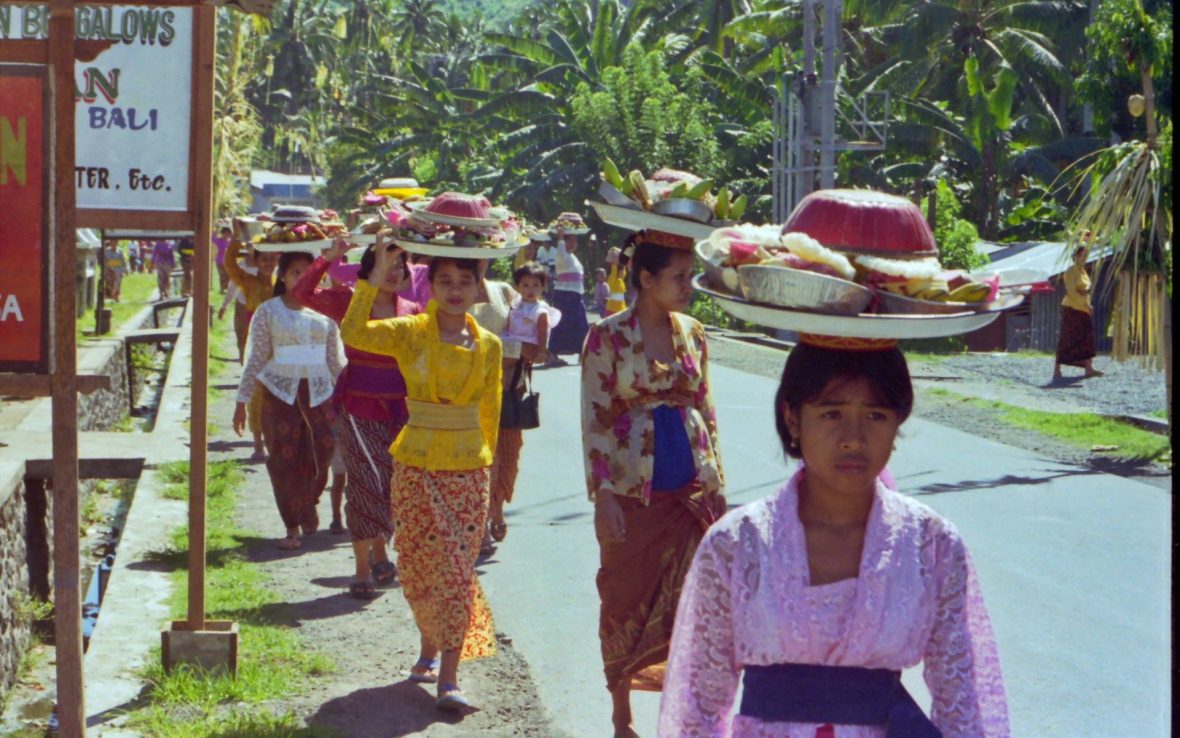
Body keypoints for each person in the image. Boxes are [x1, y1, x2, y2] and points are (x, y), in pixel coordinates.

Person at [657, 337, 1011, 738]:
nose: (854, 438)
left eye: (875, 415)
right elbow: (697, 710)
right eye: (831, 414)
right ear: (793, 418)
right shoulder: (735, 545)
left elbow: (965, 707)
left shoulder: (932, 545)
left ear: (898, 422)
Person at [341, 243, 502, 711]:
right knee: (416, 568)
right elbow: (354, 332)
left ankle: (448, 679)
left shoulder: (489, 345)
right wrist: (373, 274)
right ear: (429, 286)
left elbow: (490, 411)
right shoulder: (411, 332)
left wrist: (490, 483)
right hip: (415, 465)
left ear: (477, 288)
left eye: (464, 282)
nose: (455, 291)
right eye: (445, 281)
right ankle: (429, 647)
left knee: (456, 571)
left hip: (469, 470)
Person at [581, 230, 727, 738]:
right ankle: (622, 718)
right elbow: (595, 419)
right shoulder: (606, 336)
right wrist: (603, 496)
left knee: (697, 608)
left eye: (690, 276)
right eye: (679, 277)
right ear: (645, 278)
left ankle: (688, 718)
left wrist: (718, 484)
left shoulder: (694, 331)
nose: (689, 286)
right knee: (624, 600)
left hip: (690, 493)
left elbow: (705, 409)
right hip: (631, 493)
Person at [292, 239, 421, 599]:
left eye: (401, 266)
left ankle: (381, 550)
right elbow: (303, 293)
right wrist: (328, 258)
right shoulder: (349, 300)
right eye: (387, 264)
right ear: (368, 269)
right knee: (365, 485)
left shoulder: (413, 310)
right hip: (358, 407)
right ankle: (362, 570)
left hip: (402, 410)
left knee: (392, 487)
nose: (395, 273)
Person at [233, 250, 345, 551]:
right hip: (279, 392)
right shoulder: (269, 311)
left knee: (322, 450)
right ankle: (292, 526)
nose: (302, 278)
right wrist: (241, 401)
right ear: (283, 276)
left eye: (310, 273)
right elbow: (255, 358)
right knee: (284, 459)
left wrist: (348, 395)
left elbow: (336, 361)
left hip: (320, 392)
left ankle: (308, 504)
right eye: (296, 272)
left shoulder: (325, 314)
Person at [491, 261, 562, 546]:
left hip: (515, 369)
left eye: (536, 286)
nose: (530, 290)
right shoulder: (512, 300)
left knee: (507, 440)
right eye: (526, 285)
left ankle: (495, 507)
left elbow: (539, 339)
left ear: (543, 287)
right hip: (493, 365)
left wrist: (539, 351)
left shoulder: (534, 308)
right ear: (518, 286)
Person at [224, 238, 281, 458]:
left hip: (279, 346)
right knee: (256, 395)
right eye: (263, 259)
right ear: (255, 261)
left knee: (277, 395)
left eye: (271, 258)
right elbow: (230, 264)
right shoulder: (248, 282)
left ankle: (274, 438)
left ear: (277, 260)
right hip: (257, 345)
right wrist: (237, 239)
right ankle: (258, 442)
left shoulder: (283, 283)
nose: (268, 263)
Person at [1054, 246, 1104, 381]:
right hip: (1072, 307)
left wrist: (1087, 305)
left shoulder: (1083, 272)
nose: (1083, 258)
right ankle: (1057, 369)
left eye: (1085, 255)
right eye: (1081, 255)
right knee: (1067, 337)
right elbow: (1071, 291)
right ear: (1075, 256)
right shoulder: (1070, 272)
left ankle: (1089, 368)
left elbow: (1085, 290)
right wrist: (1085, 304)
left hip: (1083, 308)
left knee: (1087, 337)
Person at [545, 226, 590, 365]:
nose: (574, 243)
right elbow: (561, 249)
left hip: (575, 294)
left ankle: (581, 352)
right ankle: (552, 353)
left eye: (575, 240)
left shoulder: (572, 256)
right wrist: (560, 237)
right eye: (570, 240)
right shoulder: (561, 254)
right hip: (564, 295)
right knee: (561, 324)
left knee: (580, 324)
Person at [605, 244, 630, 317]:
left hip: (621, 307)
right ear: (617, 271)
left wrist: (624, 262)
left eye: (623, 272)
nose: (622, 273)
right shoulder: (612, 279)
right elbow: (614, 272)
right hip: (612, 308)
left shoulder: (621, 280)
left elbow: (624, 271)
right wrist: (614, 263)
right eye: (620, 271)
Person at [213, 226, 233, 293]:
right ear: (222, 233)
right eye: (224, 233)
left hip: (228, 261)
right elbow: (212, 239)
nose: (226, 234)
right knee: (222, 275)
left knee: (228, 275)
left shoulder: (230, 242)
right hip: (219, 260)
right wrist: (215, 232)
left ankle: (227, 288)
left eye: (227, 233)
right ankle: (222, 289)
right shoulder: (219, 240)